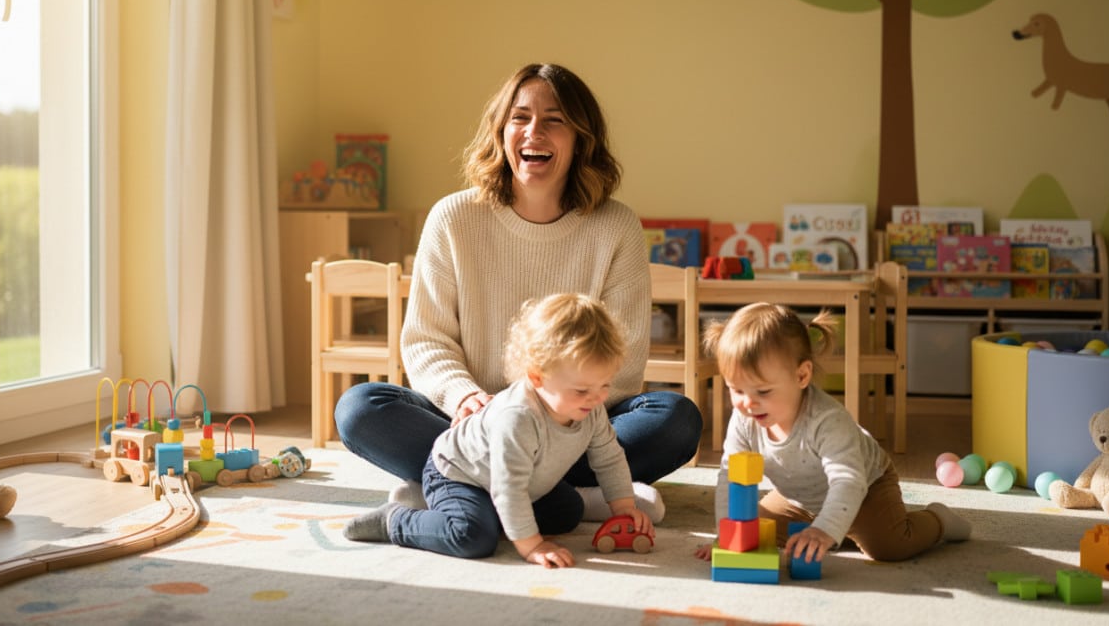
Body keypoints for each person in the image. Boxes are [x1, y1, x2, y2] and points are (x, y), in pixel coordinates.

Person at [334, 63, 702, 521]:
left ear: (581, 138)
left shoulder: (617, 227)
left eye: (555, 120)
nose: (534, 132)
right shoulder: (452, 218)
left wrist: (547, 416)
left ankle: (454, 487)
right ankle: (570, 501)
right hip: (472, 424)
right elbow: (427, 339)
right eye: (520, 117)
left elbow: (621, 360)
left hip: (572, 424)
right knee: (360, 408)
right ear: (500, 131)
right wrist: (465, 396)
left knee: (676, 418)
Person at [343, 293, 654, 567]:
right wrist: (532, 545)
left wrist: (624, 508)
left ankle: (456, 509)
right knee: (472, 537)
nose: (597, 398)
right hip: (460, 474)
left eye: (604, 385)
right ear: (537, 378)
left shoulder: (592, 407)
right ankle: (396, 518)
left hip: (518, 483)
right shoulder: (518, 416)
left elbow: (609, 458)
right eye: (582, 390)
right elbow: (509, 487)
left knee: (567, 511)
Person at [694, 303, 970, 564]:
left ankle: (937, 519)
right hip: (798, 497)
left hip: (865, 488)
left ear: (802, 376)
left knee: (889, 546)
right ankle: (835, 526)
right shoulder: (744, 419)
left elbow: (848, 481)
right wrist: (726, 536)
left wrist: (825, 529)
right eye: (737, 390)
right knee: (753, 530)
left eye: (763, 391)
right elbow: (730, 477)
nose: (748, 403)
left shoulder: (827, 420)